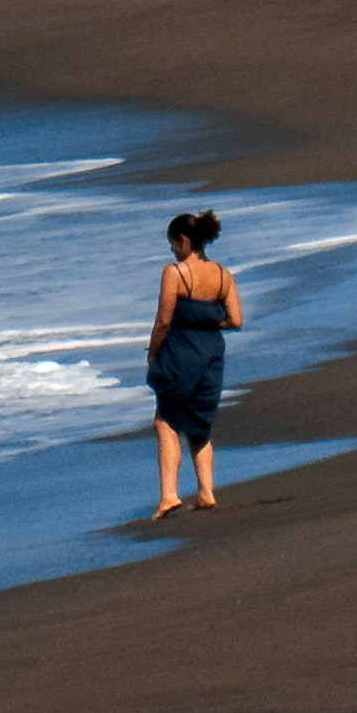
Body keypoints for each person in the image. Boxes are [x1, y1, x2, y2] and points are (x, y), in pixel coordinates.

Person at [146, 208, 241, 524]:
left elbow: (163, 320)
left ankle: (169, 496)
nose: (172, 249)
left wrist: (153, 353)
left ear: (184, 241)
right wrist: (208, 321)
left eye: (173, 243)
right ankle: (205, 492)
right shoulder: (224, 275)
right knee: (200, 423)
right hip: (212, 353)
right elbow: (236, 320)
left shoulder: (175, 272)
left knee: (166, 420)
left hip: (180, 351)